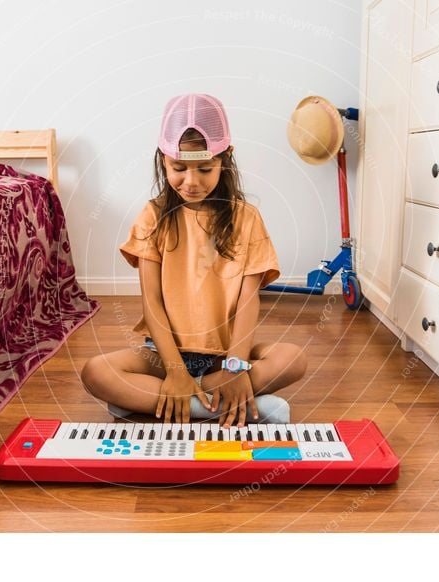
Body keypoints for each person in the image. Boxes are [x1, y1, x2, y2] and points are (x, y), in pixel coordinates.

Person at [82, 94, 307, 428]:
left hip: (223, 359)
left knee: (293, 359)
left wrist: (235, 368)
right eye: (179, 168)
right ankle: (223, 404)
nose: (191, 181)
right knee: (96, 372)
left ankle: (168, 402)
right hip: (162, 356)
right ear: (163, 160)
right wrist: (174, 370)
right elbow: (152, 302)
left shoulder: (248, 219)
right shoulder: (152, 217)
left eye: (205, 168)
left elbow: (248, 301)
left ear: (225, 159)